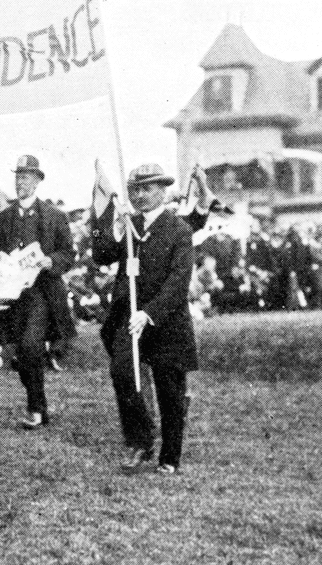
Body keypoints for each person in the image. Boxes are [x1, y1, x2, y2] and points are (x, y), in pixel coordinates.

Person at [92, 163, 197, 475]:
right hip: (128, 317)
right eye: (135, 189)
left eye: (147, 189)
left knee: (169, 388)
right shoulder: (128, 223)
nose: (139, 195)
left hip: (165, 320)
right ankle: (139, 440)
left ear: (162, 192)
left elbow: (179, 282)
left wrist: (149, 313)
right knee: (123, 373)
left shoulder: (179, 229)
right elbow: (101, 254)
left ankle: (170, 455)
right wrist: (107, 222)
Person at [0, 155, 75, 429]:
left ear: (38, 181)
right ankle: (36, 401)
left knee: (30, 346)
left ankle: (35, 408)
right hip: (12, 295)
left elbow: (68, 255)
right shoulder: (3, 218)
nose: (20, 182)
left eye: (26, 177)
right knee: (19, 352)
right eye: (18, 176)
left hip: (42, 293)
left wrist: (50, 261)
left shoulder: (54, 216)